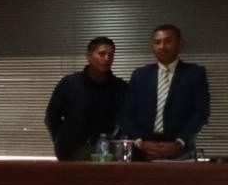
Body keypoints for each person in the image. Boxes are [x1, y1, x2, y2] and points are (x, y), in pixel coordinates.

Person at [120, 24, 210, 159]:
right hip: (143, 149)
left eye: (168, 41)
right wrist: (139, 141)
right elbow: (127, 112)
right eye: (157, 42)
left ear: (180, 43)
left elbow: (200, 112)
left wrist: (180, 142)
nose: (162, 46)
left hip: (180, 150)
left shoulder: (194, 74)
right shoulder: (140, 75)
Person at [44, 37, 125, 161]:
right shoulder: (69, 83)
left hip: (108, 152)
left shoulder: (120, 87)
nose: (107, 59)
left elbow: (126, 120)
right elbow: (52, 116)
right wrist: (61, 140)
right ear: (88, 56)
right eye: (102, 54)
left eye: (111, 55)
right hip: (72, 151)